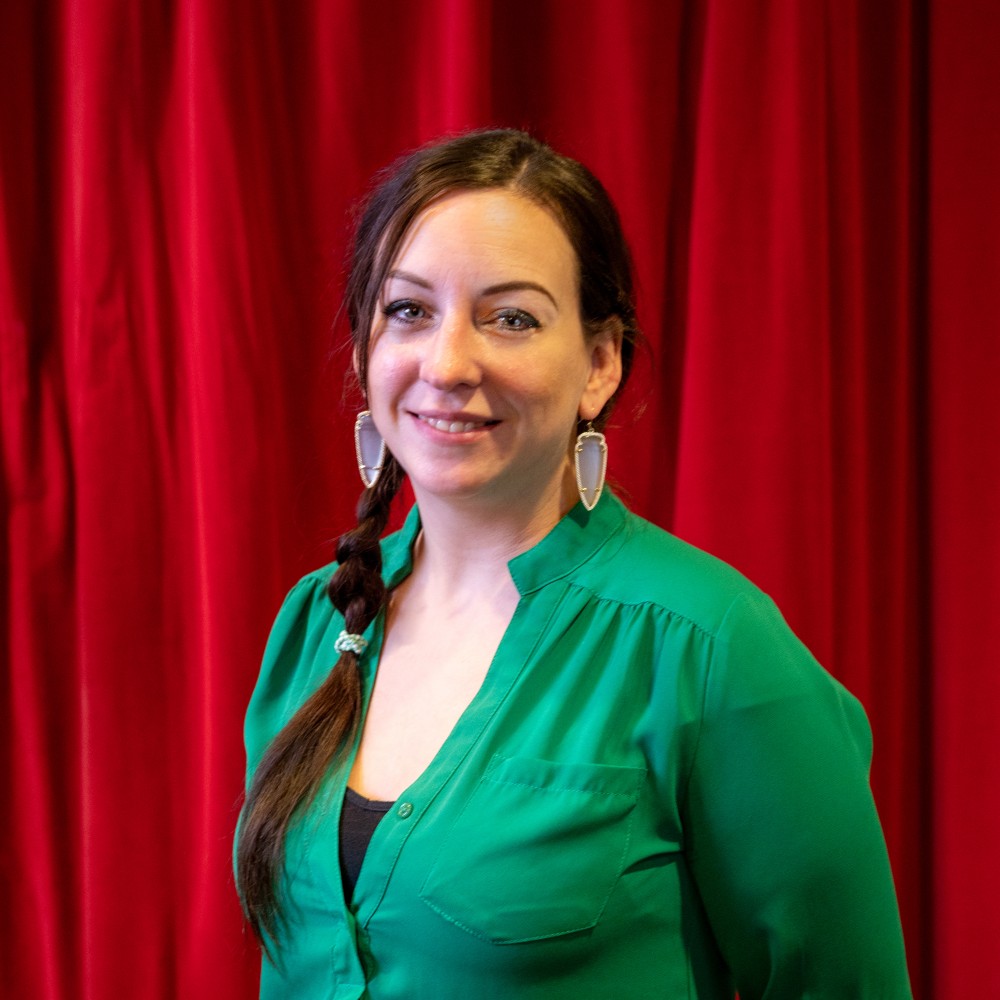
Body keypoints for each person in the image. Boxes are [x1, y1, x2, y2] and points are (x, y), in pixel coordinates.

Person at [235, 129, 912, 999]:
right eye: (409, 311)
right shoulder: (316, 621)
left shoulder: (710, 644)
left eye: (511, 318)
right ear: (366, 350)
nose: (448, 363)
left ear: (600, 363)